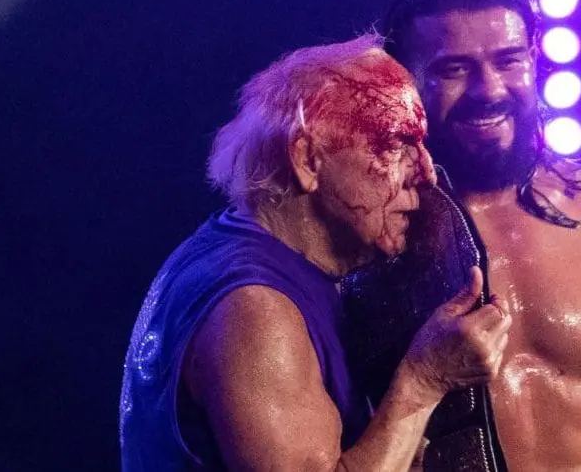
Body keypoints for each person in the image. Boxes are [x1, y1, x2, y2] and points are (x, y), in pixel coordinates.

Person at [342, 0, 581, 470]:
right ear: (402, 78)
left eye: (508, 60)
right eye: (454, 69)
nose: (489, 89)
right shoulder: (364, 235)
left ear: (534, 60)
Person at [119, 34, 513, 471]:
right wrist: (424, 380)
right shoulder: (254, 310)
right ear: (307, 160)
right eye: (396, 145)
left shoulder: (247, 255)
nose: (425, 172)